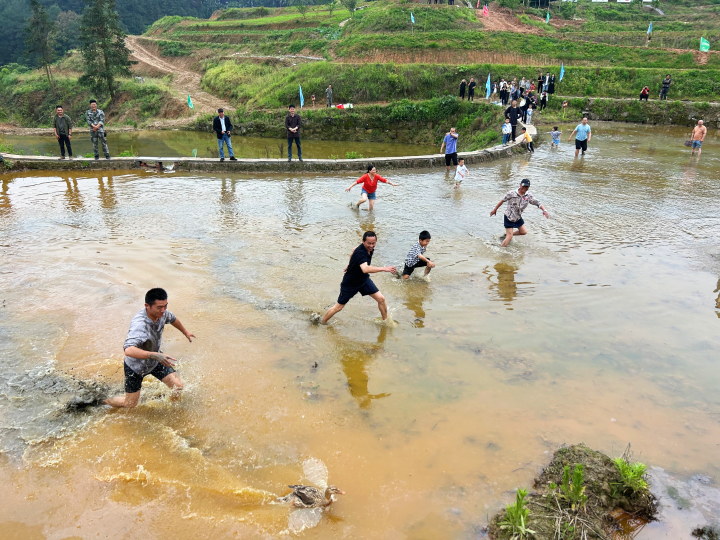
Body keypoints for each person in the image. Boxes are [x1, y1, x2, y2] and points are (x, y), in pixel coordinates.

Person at [104, 288, 195, 409]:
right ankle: (102, 401)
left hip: (155, 359)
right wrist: (155, 355)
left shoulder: (162, 313)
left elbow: (173, 319)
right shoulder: (140, 325)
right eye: (159, 307)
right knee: (130, 404)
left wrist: (185, 332)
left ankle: (172, 410)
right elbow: (128, 350)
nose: (163, 310)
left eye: (165, 306)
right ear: (147, 306)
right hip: (135, 367)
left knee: (177, 386)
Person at [320, 231, 396, 324]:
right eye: (369, 243)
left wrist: (350, 263)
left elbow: (353, 250)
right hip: (350, 283)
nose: (371, 246)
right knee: (338, 307)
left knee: (381, 299)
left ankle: (386, 322)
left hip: (363, 280)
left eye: (373, 243)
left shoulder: (369, 248)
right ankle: (322, 322)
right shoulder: (360, 252)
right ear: (363, 241)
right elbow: (365, 269)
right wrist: (384, 268)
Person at [490, 178, 549, 248]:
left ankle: (506, 234)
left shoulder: (528, 196)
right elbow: (502, 200)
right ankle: (501, 249)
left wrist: (544, 210)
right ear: (520, 185)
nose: (525, 188)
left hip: (518, 217)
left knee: (523, 232)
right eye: (524, 186)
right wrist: (495, 210)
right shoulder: (512, 193)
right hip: (509, 216)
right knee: (510, 237)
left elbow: (537, 203)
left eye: (527, 187)